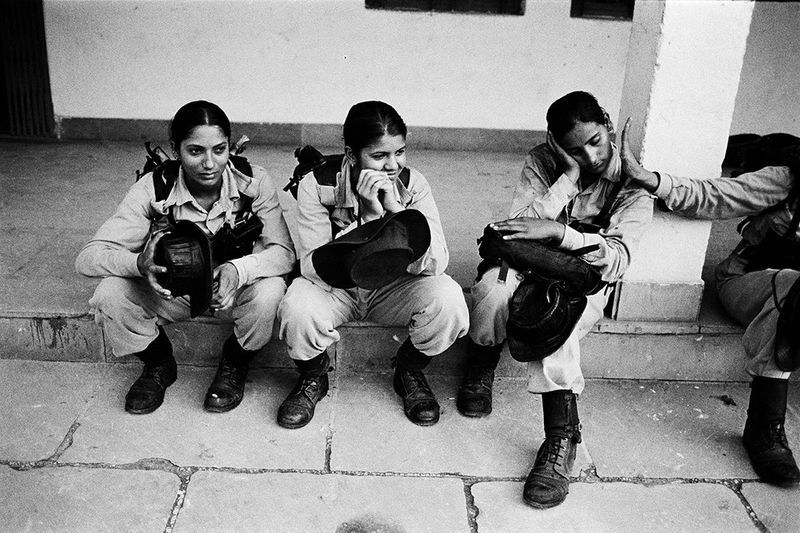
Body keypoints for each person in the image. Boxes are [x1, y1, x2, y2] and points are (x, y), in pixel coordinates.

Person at [459, 91, 653, 508]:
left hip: (583, 280)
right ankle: (481, 360)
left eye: (595, 141)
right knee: (492, 291)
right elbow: (516, 226)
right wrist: (565, 178)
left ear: (607, 124)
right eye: (573, 149)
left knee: (559, 322)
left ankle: (560, 440)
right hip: (530, 263)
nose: (589, 156)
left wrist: (561, 235)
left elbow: (618, 258)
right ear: (554, 144)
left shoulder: (634, 181)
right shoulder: (542, 162)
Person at [75, 100, 295, 415]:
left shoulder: (253, 181)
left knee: (271, 291)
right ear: (176, 151)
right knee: (110, 293)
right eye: (195, 151)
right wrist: (139, 263)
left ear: (230, 148)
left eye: (219, 150)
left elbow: (284, 253)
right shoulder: (154, 188)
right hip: (173, 292)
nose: (210, 163)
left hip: (229, 295)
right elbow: (88, 257)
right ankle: (158, 365)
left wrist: (238, 269)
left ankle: (235, 363)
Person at [620, 123, 800, 486]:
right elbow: (717, 195)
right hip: (750, 282)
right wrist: (650, 179)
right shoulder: (789, 177)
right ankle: (764, 427)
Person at [277, 100, 469, 429]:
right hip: (337, 289)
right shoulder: (317, 184)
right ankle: (314, 376)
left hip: (392, 288)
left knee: (449, 299)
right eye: (379, 156)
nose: (392, 165)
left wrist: (397, 215)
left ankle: (409, 369)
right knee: (297, 307)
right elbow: (311, 265)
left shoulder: (413, 184)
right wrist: (367, 220)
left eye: (399, 152)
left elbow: (438, 262)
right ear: (352, 155)